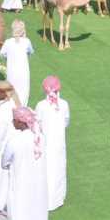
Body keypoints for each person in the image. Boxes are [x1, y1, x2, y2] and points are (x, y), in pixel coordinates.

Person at [2, 107, 49, 220]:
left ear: (20, 122)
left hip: (20, 188)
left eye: (14, 119)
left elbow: (4, 162)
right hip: (39, 188)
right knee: (38, 219)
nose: (12, 122)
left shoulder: (14, 141)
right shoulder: (40, 137)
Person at [35, 75, 70, 211]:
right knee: (59, 168)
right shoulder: (64, 104)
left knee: (46, 169)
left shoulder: (41, 105)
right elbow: (66, 122)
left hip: (46, 143)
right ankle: (57, 198)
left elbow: (37, 124)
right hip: (59, 142)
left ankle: (45, 199)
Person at [0, 81, 20, 211]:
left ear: (1, 93)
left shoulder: (5, 109)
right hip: (11, 146)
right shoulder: (12, 104)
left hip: (2, 150)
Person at [1, 20, 34, 106]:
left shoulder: (8, 42)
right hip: (23, 72)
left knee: (11, 93)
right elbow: (31, 52)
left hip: (11, 72)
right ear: (23, 30)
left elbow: (2, 54)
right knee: (24, 93)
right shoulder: (27, 41)